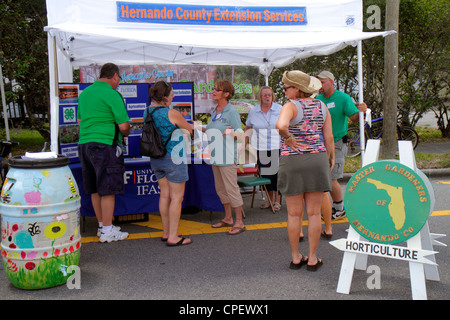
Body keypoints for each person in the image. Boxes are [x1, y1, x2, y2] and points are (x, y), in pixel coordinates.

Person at [276, 70, 335, 271]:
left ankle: (295, 257)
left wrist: (288, 138)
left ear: (298, 89)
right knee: (314, 213)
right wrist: (330, 157)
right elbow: (328, 138)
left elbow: (281, 125)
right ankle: (312, 257)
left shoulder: (290, 107)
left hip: (292, 160)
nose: (284, 91)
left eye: (286, 87)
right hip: (317, 158)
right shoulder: (322, 106)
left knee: (294, 214)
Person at [77, 63, 131, 243]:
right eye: (119, 79)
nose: (118, 83)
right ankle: (107, 230)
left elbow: (79, 120)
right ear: (115, 76)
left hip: (84, 143)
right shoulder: (112, 93)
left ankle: (102, 226)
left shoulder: (85, 93)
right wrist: (125, 132)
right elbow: (124, 127)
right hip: (104, 144)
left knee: (94, 188)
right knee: (107, 189)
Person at [144, 81, 194, 246]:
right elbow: (189, 129)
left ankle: (167, 232)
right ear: (165, 96)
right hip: (173, 157)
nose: (173, 96)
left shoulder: (147, 111)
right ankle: (173, 236)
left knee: (164, 195)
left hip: (155, 158)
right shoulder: (171, 113)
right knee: (177, 198)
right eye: (171, 94)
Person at [316, 71, 367, 220]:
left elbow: (354, 117)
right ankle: (329, 206)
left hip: (337, 142)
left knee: (332, 177)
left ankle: (339, 208)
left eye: (323, 82)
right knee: (324, 177)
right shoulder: (318, 99)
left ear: (331, 82)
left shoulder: (343, 98)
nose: (320, 86)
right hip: (321, 143)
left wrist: (360, 111)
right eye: (319, 82)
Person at [205, 80, 246, 235]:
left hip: (228, 156)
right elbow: (212, 129)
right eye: (214, 89)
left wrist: (232, 133)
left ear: (226, 94)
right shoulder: (215, 110)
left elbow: (240, 135)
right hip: (216, 156)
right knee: (221, 190)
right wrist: (195, 127)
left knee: (231, 189)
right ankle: (228, 218)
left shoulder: (231, 112)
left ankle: (239, 222)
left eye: (217, 89)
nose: (214, 91)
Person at [244, 86, 282, 211]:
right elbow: (248, 128)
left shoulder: (279, 109)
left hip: (277, 146)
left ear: (272, 96)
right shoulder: (253, 111)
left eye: (269, 95)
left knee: (277, 174)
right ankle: (270, 200)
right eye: (264, 95)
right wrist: (244, 144)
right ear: (260, 97)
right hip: (261, 148)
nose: (267, 97)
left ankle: (277, 201)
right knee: (267, 175)